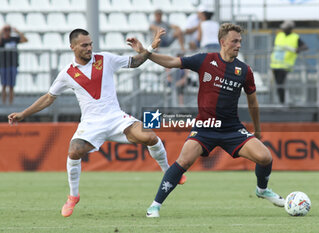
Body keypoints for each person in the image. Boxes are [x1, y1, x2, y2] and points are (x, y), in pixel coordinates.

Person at [8, 28, 186, 218]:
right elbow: (49, 98)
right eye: (84, 45)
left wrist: (150, 46)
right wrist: (24, 113)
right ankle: (73, 196)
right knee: (74, 150)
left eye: (90, 44)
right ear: (72, 47)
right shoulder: (67, 73)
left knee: (150, 136)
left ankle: (170, 173)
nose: (89, 48)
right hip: (91, 124)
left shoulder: (105, 59)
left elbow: (135, 62)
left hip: (116, 118)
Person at [144, 23, 285, 218]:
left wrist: (258, 130)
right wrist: (147, 53)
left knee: (265, 158)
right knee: (183, 160)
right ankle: (155, 205)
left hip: (232, 128)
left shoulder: (244, 70)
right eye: (234, 41)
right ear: (223, 42)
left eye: (240, 42)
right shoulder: (205, 60)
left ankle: (262, 190)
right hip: (205, 127)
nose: (238, 45)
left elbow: (253, 102)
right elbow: (171, 62)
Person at [270, 20, 308, 104]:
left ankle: (282, 102)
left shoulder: (295, 37)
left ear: (290, 28)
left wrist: (297, 50)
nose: (283, 29)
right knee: (278, 85)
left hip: (285, 65)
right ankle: (281, 101)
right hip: (275, 63)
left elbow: (305, 47)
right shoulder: (279, 35)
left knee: (281, 84)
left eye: (285, 28)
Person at [0, 24, 28, 105]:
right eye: (6, 30)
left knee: (11, 86)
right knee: (4, 85)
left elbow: (25, 40)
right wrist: (1, 31)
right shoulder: (2, 40)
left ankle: (10, 103)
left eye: (9, 30)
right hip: (3, 65)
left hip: (13, 65)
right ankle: (4, 103)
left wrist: (18, 32)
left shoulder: (14, 39)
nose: (7, 31)